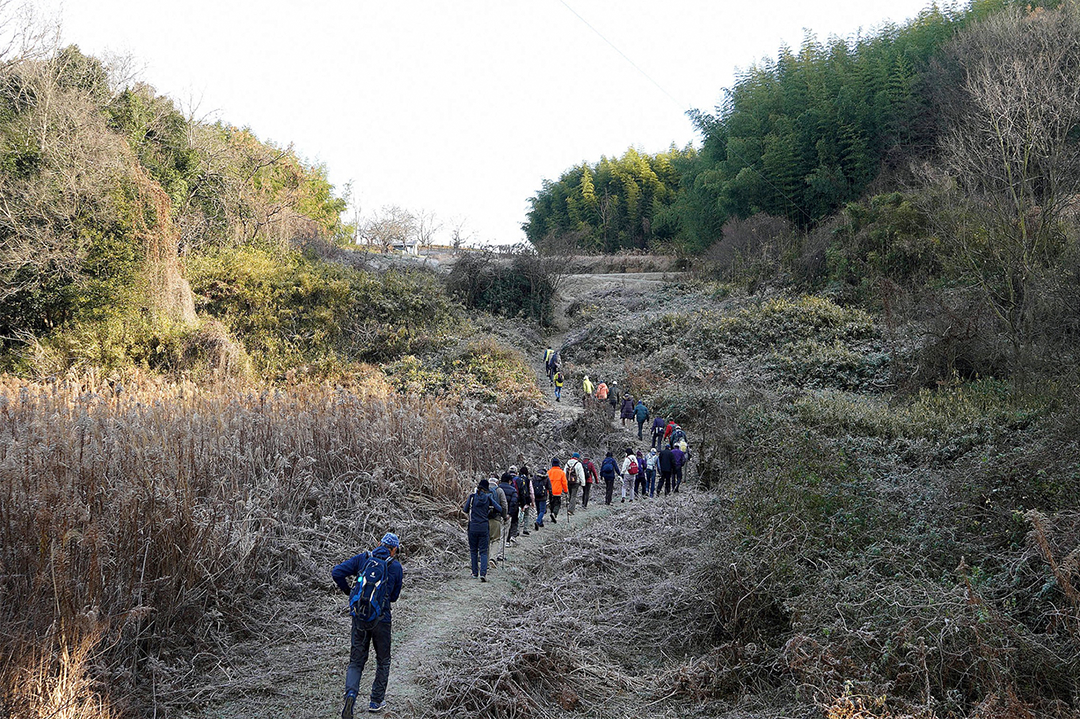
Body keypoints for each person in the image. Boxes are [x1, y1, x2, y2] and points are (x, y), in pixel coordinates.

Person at [332, 532, 404, 716]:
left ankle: (350, 695)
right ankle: (376, 701)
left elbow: (337, 572)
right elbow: (394, 597)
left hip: (360, 618)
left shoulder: (363, 559)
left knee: (356, 662)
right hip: (382, 620)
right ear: (394, 549)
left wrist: (349, 592)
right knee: (383, 660)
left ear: (379, 543)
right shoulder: (395, 567)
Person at [463, 479, 501, 580]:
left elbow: (465, 510)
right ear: (486, 489)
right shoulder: (488, 498)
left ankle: (474, 573)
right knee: (484, 551)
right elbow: (499, 509)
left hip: (472, 527)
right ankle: (483, 574)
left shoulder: (472, 497)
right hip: (484, 527)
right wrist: (489, 509)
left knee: (473, 551)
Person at [488, 477, 508, 565]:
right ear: (497, 482)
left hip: (484, 519)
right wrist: (504, 517)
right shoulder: (499, 491)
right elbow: (504, 505)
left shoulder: (483, 490)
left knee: (486, 540)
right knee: (495, 540)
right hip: (496, 519)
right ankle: (492, 558)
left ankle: (485, 559)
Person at [498, 473, 519, 545]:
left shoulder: (496, 488)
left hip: (496, 514)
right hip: (507, 514)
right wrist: (509, 513)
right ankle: (506, 544)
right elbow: (513, 503)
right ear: (509, 481)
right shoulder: (513, 490)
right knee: (504, 532)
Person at [547, 457, 567, 523]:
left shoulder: (549, 472)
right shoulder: (561, 473)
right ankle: (554, 514)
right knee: (557, 504)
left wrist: (547, 491)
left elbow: (546, 482)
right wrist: (566, 490)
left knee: (551, 503)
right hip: (558, 491)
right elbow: (564, 482)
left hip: (550, 491)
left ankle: (552, 514)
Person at [518, 464, 534, 536]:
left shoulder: (517, 479)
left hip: (518, 499)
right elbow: (531, 491)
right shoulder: (528, 480)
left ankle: (517, 530)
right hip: (527, 499)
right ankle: (525, 529)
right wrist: (532, 501)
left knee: (519, 515)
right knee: (526, 515)